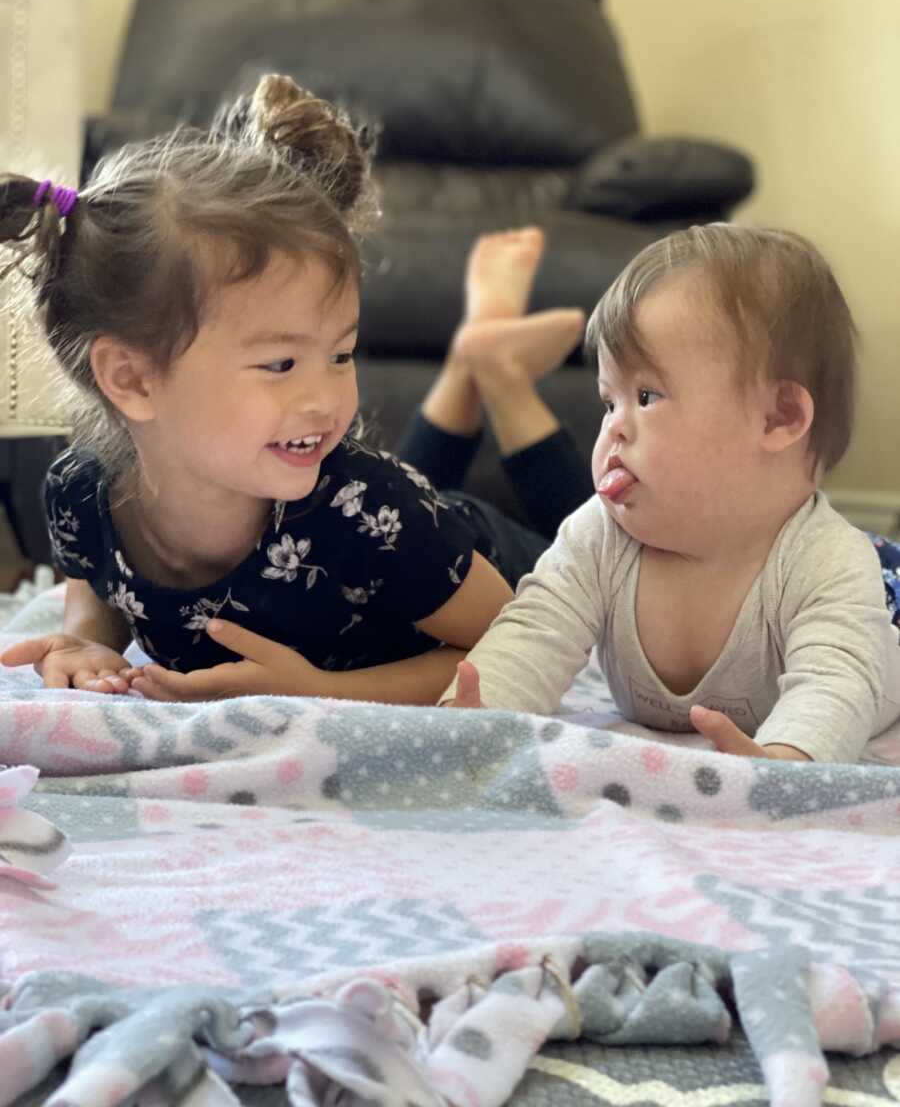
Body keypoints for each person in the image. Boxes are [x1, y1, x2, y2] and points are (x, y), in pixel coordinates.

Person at [0, 75, 589, 704]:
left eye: (342, 353)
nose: (327, 397)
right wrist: (91, 641)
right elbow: (97, 577)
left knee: (595, 536)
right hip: (394, 539)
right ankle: (476, 356)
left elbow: (517, 642)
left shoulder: (369, 506)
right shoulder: (80, 493)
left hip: (485, 557)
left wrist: (322, 690)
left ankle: (496, 374)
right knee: (383, 501)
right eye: (282, 363)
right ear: (132, 379)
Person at [442, 223, 900, 764]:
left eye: (647, 396)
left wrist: (786, 759)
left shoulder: (826, 562)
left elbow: (837, 684)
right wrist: (477, 713)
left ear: (779, 418)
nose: (615, 427)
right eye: (609, 402)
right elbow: (534, 630)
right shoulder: (600, 536)